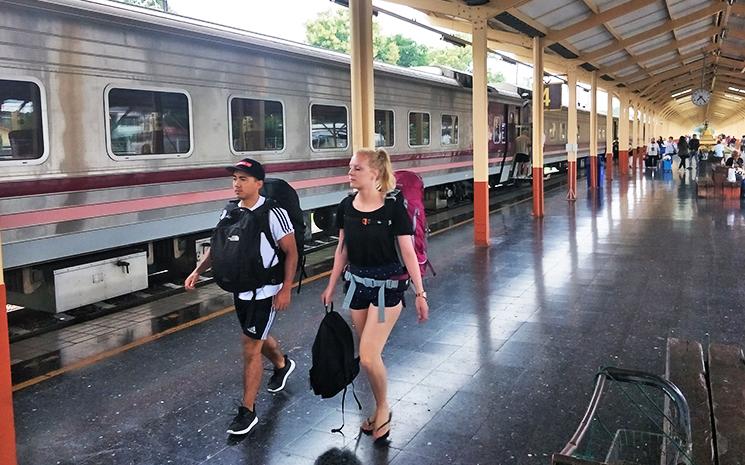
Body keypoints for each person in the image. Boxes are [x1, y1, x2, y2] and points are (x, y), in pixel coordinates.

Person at [321, 148, 429, 444]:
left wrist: (420, 293)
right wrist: (331, 284)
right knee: (371, 354)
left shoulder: (393, 209)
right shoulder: (346, 206)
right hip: (356, 288)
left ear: (375, 173)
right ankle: (379, 407)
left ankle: (383, 408)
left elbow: (407, 251)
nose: (350, 172)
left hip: (386, 291)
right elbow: (342, 249)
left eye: (356, 168)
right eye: (350, 167)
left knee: (368, 356)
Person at [185, 158, 298, 436]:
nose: (236, 184)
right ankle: (283, 364)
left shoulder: (273, 212)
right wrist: (198, 270)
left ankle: (248, 412)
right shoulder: (229, 211)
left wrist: (285, 288)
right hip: (241, 289)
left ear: (259, 183)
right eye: (234, 178)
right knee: (257, 337)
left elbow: (291, 251)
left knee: (250, 348)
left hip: (265, 290)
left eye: (243, 179)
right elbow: (217, 245)